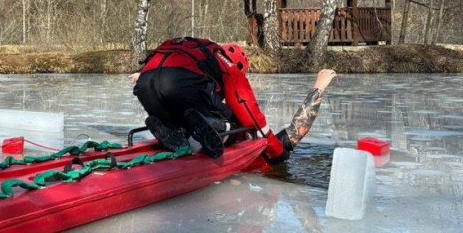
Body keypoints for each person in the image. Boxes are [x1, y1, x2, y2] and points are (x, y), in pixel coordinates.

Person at [131, 37, 336, 162]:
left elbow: (164, 58)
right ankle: (216, 129)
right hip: (181, 82)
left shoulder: (203, 52)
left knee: (187, 114)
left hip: (149, 80)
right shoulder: (228, 64)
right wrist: (318, 89)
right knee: (235, 121)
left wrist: (147, 78)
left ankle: (170, 130)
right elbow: (251, 113)